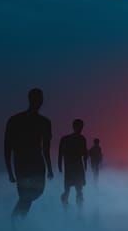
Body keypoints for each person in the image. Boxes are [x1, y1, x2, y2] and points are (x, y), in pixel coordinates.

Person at [5, 88, 53, 218]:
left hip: (31, 164)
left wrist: (49, 168)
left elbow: (46, 148)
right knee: (26, 196)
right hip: (25, 164)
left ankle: (18, 221)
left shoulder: (43, 122)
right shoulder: (16, 120)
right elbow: (8, 146)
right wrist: (9, 171)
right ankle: (15, 222)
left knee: (32, 195)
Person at [58, 119, 89, 205]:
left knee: (74, 188)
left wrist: (59, 165)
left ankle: (73, 207)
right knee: (75, 189)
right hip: (75, 166)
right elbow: (84, 154)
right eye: (80, 126)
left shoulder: (66, 139)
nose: (81, 128)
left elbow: (60, 153)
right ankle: (72, 207)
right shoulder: (80, 139)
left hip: (72, 166)